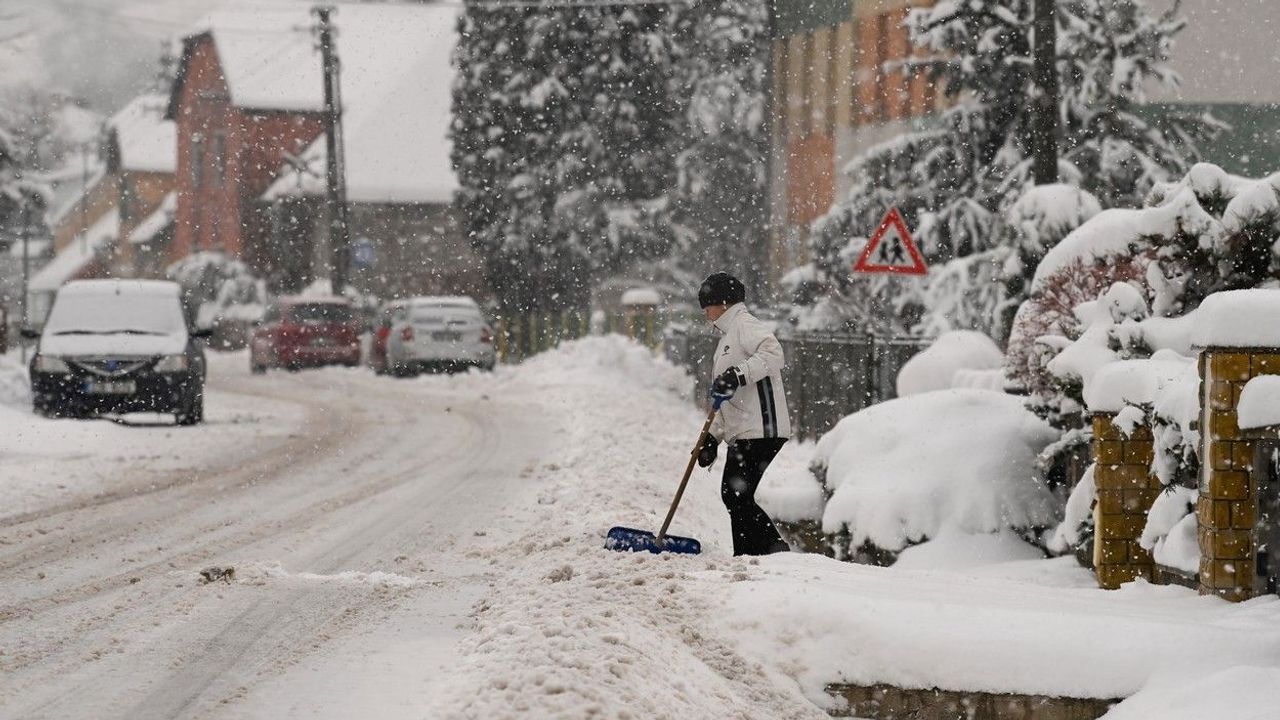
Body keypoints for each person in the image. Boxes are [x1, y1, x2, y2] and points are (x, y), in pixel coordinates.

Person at [694, 272, 792, 556]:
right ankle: (751, 556)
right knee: (735, 495)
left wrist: (738, 375)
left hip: (763, 427)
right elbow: (724, 399)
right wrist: (712, 438)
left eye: (707, 306)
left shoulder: (745, 325)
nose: (705, 313)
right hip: (745, 430)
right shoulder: (727, 339)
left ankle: (773, 553)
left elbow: (774, 353)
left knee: (736, 494)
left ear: (723, 303)